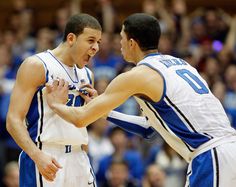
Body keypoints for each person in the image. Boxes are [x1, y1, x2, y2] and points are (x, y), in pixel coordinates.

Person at [46, 13, 236, 187]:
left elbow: (81, 118)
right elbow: (149, 130)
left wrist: (55, 104)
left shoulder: (138, 75)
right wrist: (106, 112)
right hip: (227, 148)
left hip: (213, 155)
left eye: (121, 38)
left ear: (131, 43)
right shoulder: (181, 64)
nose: (119, 44)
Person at [6, 13, 102, 187]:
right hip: (46, 155)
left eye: (98, 42)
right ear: (71, 38)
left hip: (78, 157)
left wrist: (92, 107)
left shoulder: (87, 74)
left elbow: (83, 123)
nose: (96, 47)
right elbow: (13, 120)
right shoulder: (37, 65)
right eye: (91, 40)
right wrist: (36, 155)